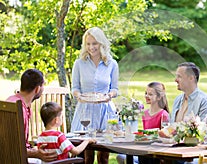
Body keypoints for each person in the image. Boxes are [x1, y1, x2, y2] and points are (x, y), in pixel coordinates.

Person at [70, 26, 119, 164]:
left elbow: (115, 89)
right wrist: (79, 96)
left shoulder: (112, 64)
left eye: (94, 43)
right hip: (85, 111)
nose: (91, 47)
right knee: (87, 155)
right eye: (88, 44)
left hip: (105, 111)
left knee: (104, 155)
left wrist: (109, 95)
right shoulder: (79, 63)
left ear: (101, 44)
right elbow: (74, 88)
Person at [6, 69, 58, 162]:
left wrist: (33, 150)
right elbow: (11, 147)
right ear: (37, 89)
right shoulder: (18, 109)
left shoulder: (10, 101)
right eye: (43, 85)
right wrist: (35, 154)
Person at [116, 82, 170, 164]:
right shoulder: (145, 114)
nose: (146, 96)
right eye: (146, 93)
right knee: (121, 157)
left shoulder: (164, 115)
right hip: (144, 150)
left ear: (159, 97)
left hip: (156, 154)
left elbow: (165, 137)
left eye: (150, 94)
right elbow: (144, 134)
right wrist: (125, 133)